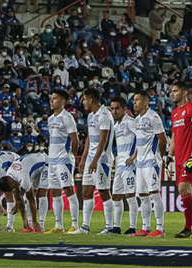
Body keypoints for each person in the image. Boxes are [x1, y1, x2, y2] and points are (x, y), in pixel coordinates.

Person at [72, 88, 115, 234]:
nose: (83, 102)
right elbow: (90, 138)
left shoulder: (105, 115)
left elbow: (103, 139)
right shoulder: (91, 116)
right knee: (86, 191)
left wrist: (95, 160)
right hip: (91, 158)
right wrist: (84, 158)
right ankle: (85, 227)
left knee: (103, 191)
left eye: (84, 99)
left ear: (91, 99)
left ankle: (110, 226)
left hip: (102, 160)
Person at [131, 90, 168, 237]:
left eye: (137, 100)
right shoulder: (137, 120)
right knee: (143, 196)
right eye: (134, 100)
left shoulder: (153, 117)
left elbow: (162, 139)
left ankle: (160, 228)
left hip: (151, 162)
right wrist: (135, 156)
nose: (134, 103)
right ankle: (145, 227)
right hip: (140, 163)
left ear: (146, 102)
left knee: (154, 195)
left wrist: (158, 156)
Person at [170, 81, 192, 238]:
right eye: (172, 91)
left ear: (184, 93)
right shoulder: (175, 113)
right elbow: (174, 136)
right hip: (178, 157)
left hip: (189, 156)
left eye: (176, 91)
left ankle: (187, 228)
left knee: (183, 189)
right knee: (185, 191)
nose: (172, 94)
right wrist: (170, 156)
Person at [44, 89, 80, 234]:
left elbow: (75, 140)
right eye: (51, 98)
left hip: (63, 160)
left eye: (55, 98)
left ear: (63, 101)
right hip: (52, 161)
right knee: (55, 192)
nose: (52, 101)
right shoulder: (50, 118)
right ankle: (58, 225)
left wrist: (69, 154)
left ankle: (75, 224)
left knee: (69, 189)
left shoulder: (67, 118)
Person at [0, 152, 47, 233]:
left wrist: (34, 220)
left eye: (11, 189)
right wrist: (24, 219)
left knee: (40, 194)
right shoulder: (9, 175)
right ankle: (28, 225)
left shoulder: (23, 176)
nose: (12, 191)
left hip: (44, 163)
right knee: (28, 195)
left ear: (10, 183)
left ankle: (39, 225)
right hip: (31, 165)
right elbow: (18, 196)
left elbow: (30, 199)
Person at [110, 96, 138, 234]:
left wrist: (133, 156)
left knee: (130, 196)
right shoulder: (116, 126)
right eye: (112, 109)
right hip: (120, 165)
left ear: (124, 109)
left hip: (130, 165)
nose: (114, 112)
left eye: (117, 109)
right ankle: (117, 226)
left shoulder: (130, 122)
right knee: (116, 195)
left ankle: (132, 227)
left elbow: (142, 137)